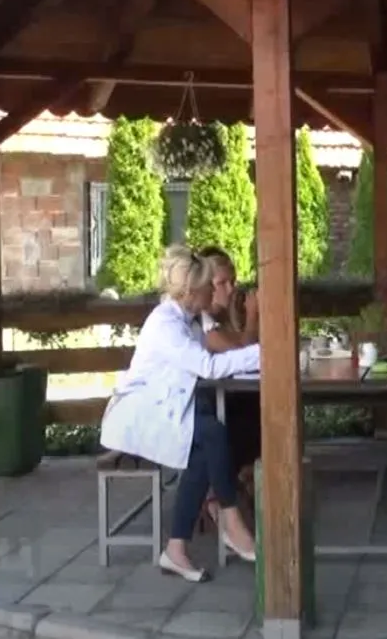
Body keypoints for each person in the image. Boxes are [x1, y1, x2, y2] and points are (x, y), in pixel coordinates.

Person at [99, 245, 260, 582]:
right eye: (208, 286)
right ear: (191, 293)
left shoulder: (189, 321)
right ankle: (230, 520)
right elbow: (207, 366)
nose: (213, 291)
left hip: (167, 408)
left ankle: (176, 550)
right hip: (139, 415)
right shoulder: (165, 324)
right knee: (212, 434)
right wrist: (265, 353)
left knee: (205, 445)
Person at [196, 246, 261, 523]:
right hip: (203, 406)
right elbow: (244, 353)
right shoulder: (202, 322)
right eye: (222, 283)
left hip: (226, 397)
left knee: (260, 405)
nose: (231, 289)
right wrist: (253, 315)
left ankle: (246, 476)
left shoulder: (223, 316)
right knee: (249, 413)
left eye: (232, 281)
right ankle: (224, 489)